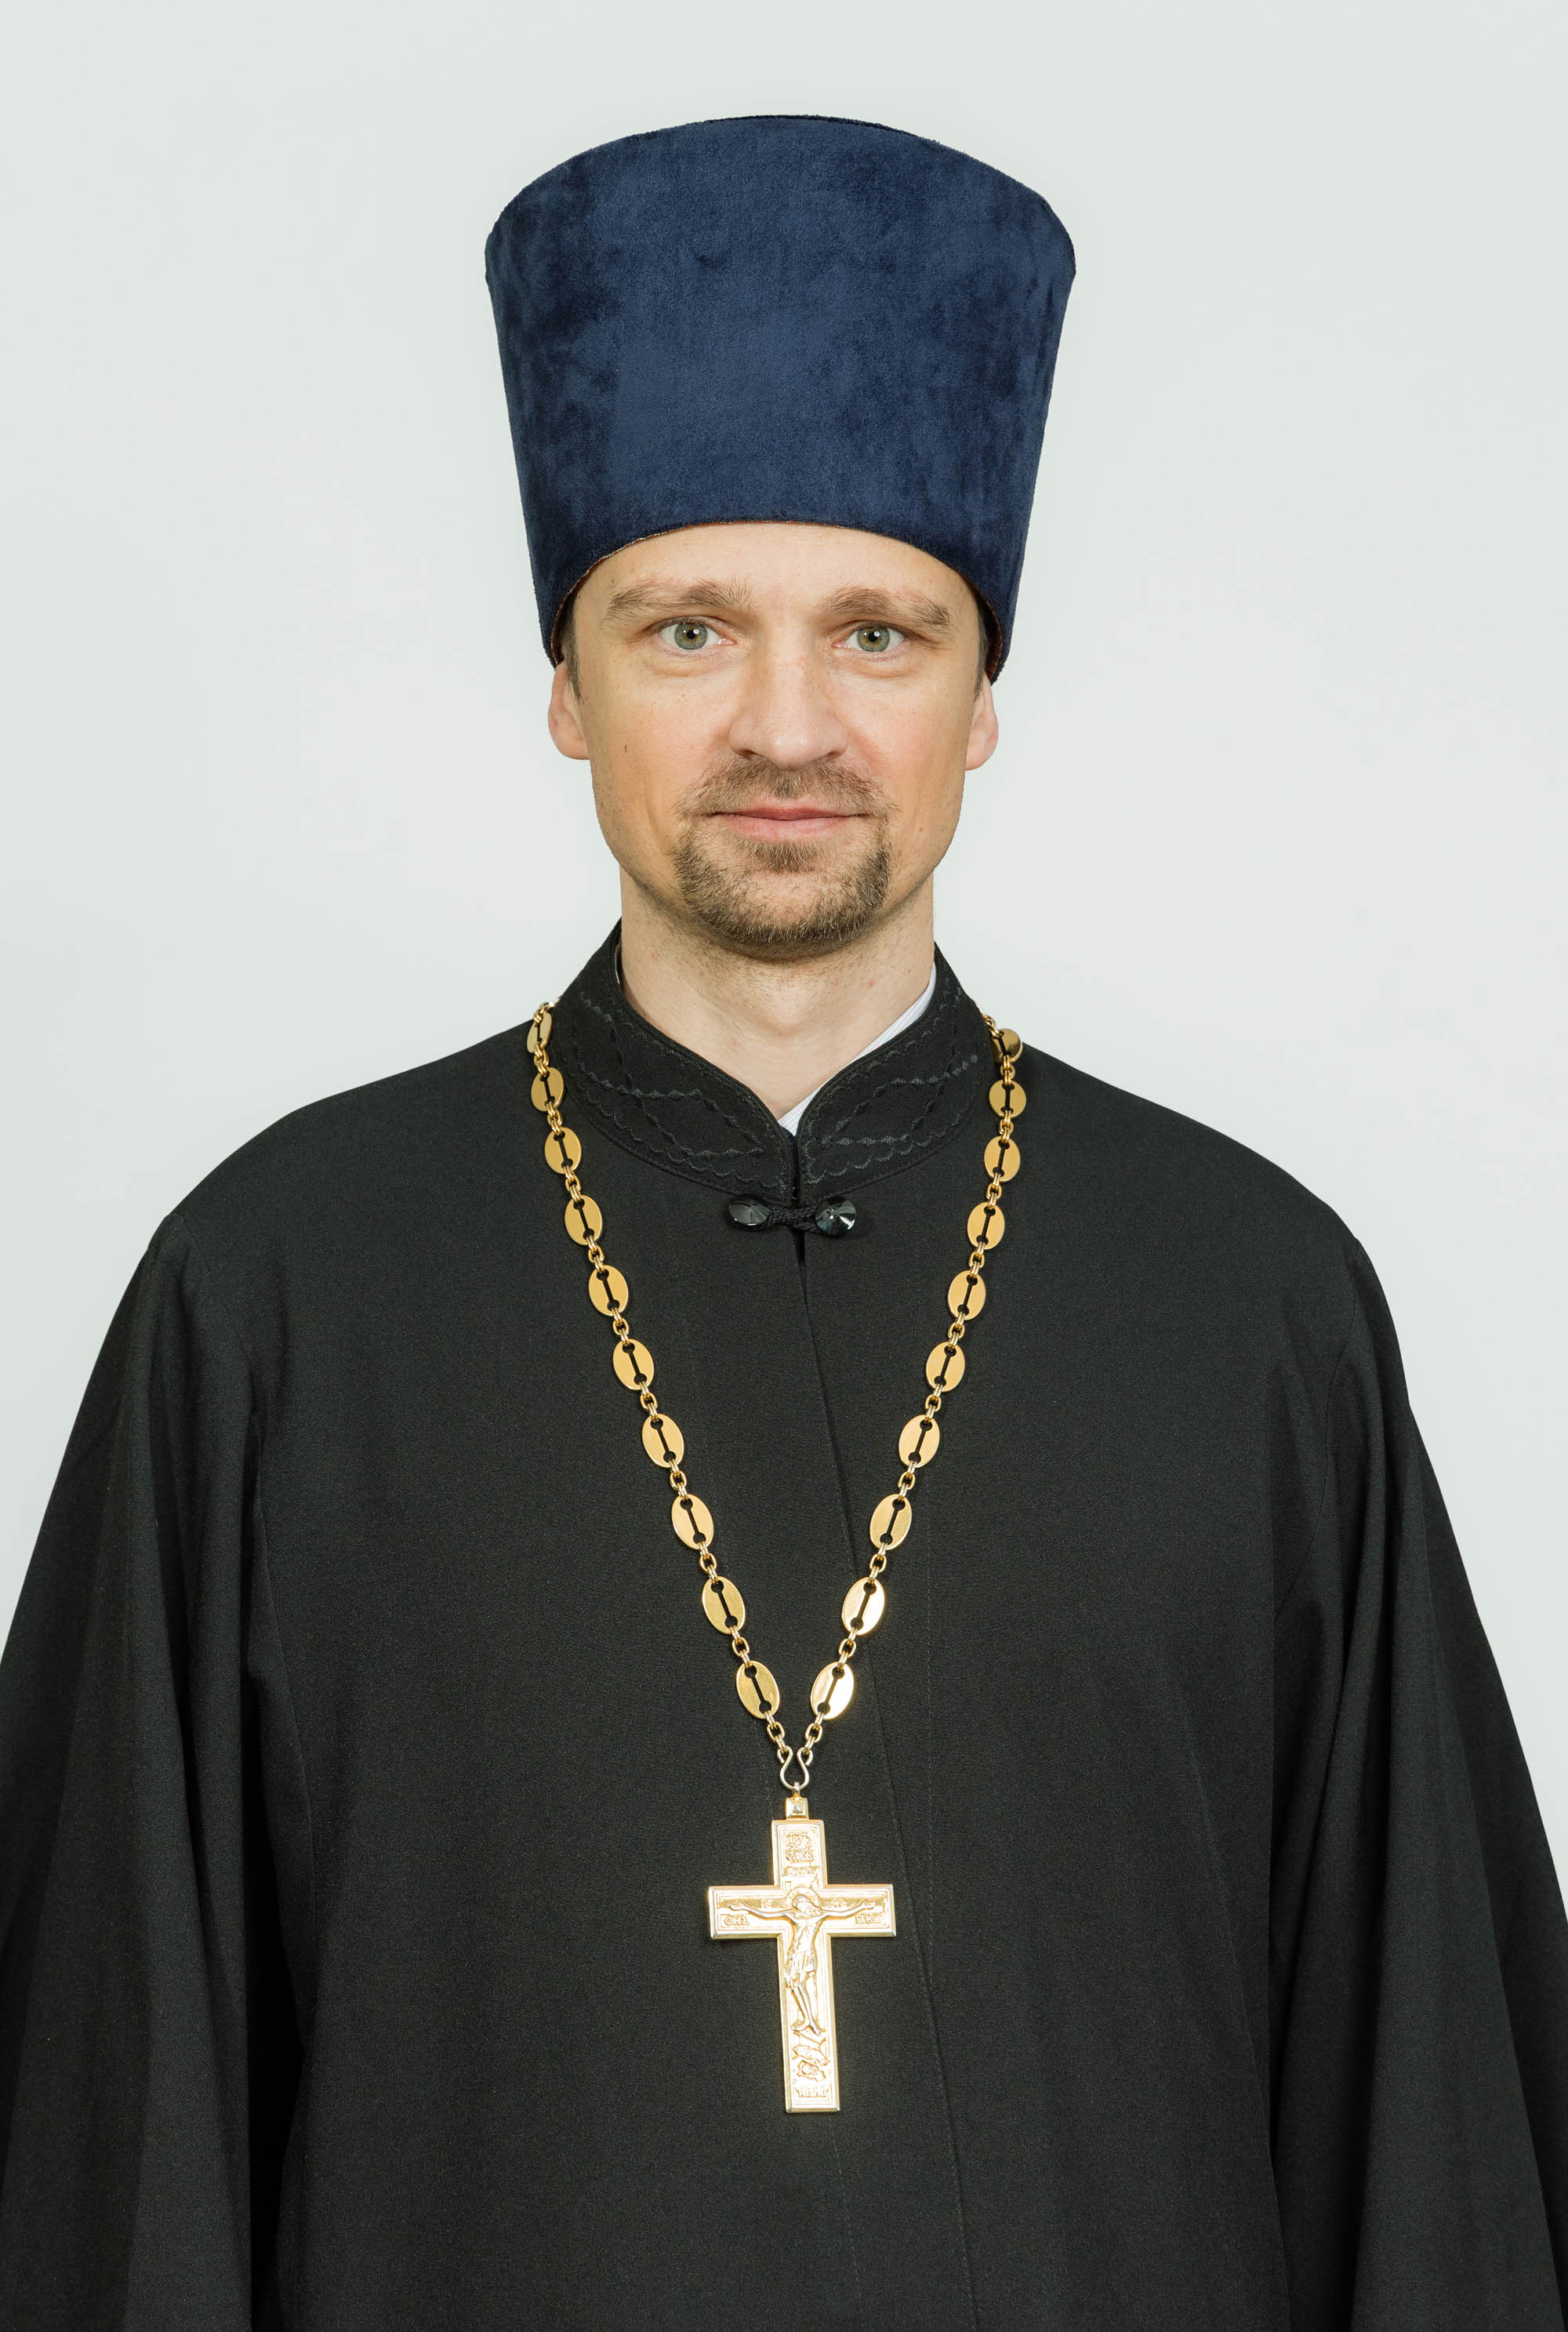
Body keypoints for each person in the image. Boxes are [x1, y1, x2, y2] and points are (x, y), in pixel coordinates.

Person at [0, 112, 1564, 2331]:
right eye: (688, 629)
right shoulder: (274, 1298)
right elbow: (111, 2121)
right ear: (568, 685)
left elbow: (1434, 2128)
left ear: (981, 696)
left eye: (879, 634)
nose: (789, 725)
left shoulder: (1253, 1304)